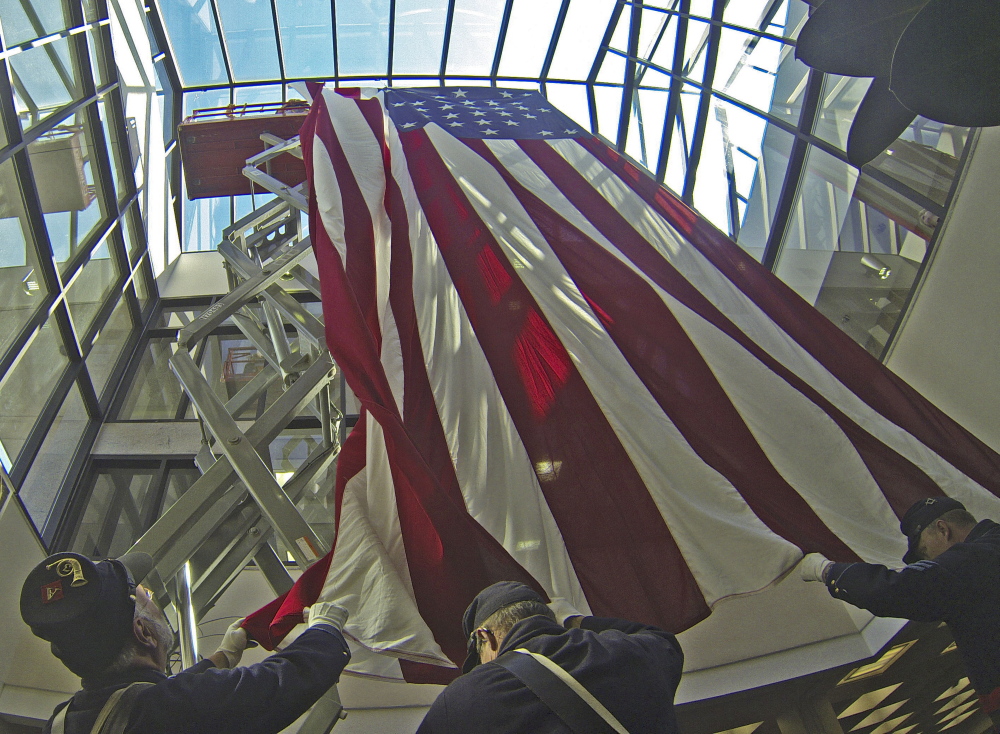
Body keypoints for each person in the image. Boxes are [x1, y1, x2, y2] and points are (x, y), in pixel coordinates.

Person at [20, 550, 351, 734]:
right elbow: (278, 685)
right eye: (145, 596)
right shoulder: (168, 710)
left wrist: (223, 657)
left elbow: (163, 697)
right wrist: (325, 630)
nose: (153, 599)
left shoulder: (63, 721)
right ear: (144, 633)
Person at [800, 496, 1000, 727]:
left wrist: (826, 571)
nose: (931, 559)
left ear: (943, 530)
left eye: (925, 551)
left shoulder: (973, 559)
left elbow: (895, 590)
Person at [416, 581, 684, 733]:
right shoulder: (631, 653)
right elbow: (661, 637)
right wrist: (575, 620)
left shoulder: (463, 698)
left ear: (485, 637)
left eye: (479, 654)